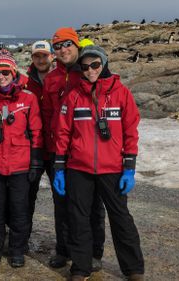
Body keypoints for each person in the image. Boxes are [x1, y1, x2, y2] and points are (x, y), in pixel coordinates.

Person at [53, 45, 144, 281]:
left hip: (112, 168)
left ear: (104, 63)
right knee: (78, 218)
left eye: (95, 65)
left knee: (121, 218)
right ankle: (81, 268)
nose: (90, 70)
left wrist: (129, 167)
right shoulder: (73, 96)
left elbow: (131, 131)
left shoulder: (121, 93)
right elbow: (62, 133)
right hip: (78, 169)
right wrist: (60, 168)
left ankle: (133, 269)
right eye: (85, 67)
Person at [42, 28, 106, 269]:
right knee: (62, 203)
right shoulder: (51, 78)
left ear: (77, 45)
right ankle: (64, 249)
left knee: (91, 205)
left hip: (88, 150)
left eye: (67, 44)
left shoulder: (90, 71)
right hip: (59, 151)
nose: (62, 49)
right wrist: (51, 150)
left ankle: (94, 252)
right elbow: (49, 116)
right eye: (57, 46)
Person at [0, 49, 43, 268]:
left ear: (13, 73)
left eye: (5, 72)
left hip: (20, 165)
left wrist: (35, 162)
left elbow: (36, 133)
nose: (1, 77)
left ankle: (17, 250)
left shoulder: (28, 98)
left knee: (19, 210)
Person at [25, 40, 55, 240]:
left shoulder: (61, 79)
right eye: (37, 56)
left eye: (45, 55)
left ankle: (64, 248)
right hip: (32, 149)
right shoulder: (25, 82)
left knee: (63, 199)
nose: (41, 59)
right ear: (32, 58)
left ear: (52, 56)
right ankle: (21, 240)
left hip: (55, 149)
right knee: (26, 198)